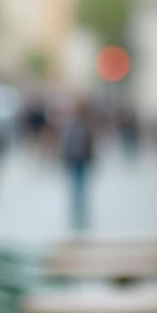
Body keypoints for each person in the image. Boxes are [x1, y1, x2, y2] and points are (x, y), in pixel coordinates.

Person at [60, 97, 95, 231]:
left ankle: (81, 215)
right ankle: (77, 215)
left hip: (82, 160)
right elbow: (67, 144)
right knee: (77, 188)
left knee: (80, 188)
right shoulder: (74, 126)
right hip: (75, 160)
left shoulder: (85, 126)